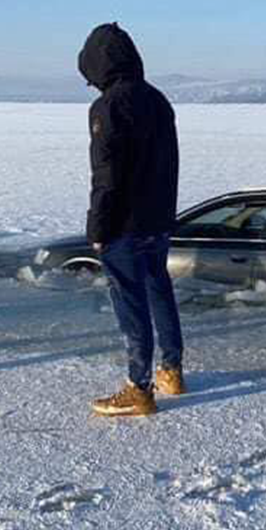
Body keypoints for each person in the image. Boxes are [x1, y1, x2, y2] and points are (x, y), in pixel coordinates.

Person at [79, 23, 185, 417]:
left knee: (131, 303)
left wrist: (98, 228)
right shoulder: (158, 100)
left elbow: (105, 175)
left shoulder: (108, 107)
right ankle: (171, 371)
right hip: (158, 219)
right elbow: (168, 164)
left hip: (125, 223)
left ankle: (139, 389)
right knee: (159, 289)